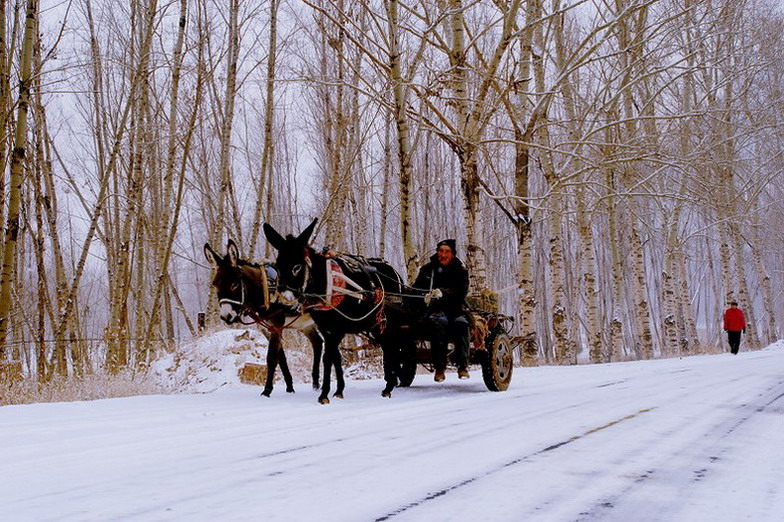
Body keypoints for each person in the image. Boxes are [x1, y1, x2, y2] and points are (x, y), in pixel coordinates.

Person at [413, 239, 471, 382]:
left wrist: (443, 293)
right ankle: (439, 369)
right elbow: (416, 289)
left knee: (462, 325)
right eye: (440, 251)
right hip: (434, 310)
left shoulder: (461, 271)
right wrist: (423, 297)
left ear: (453, 254)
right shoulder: (427, 270)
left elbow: (460, 293)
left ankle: (462, 366)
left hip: (456, 309)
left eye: (447, 251)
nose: (443, 254)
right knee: (438, 324)